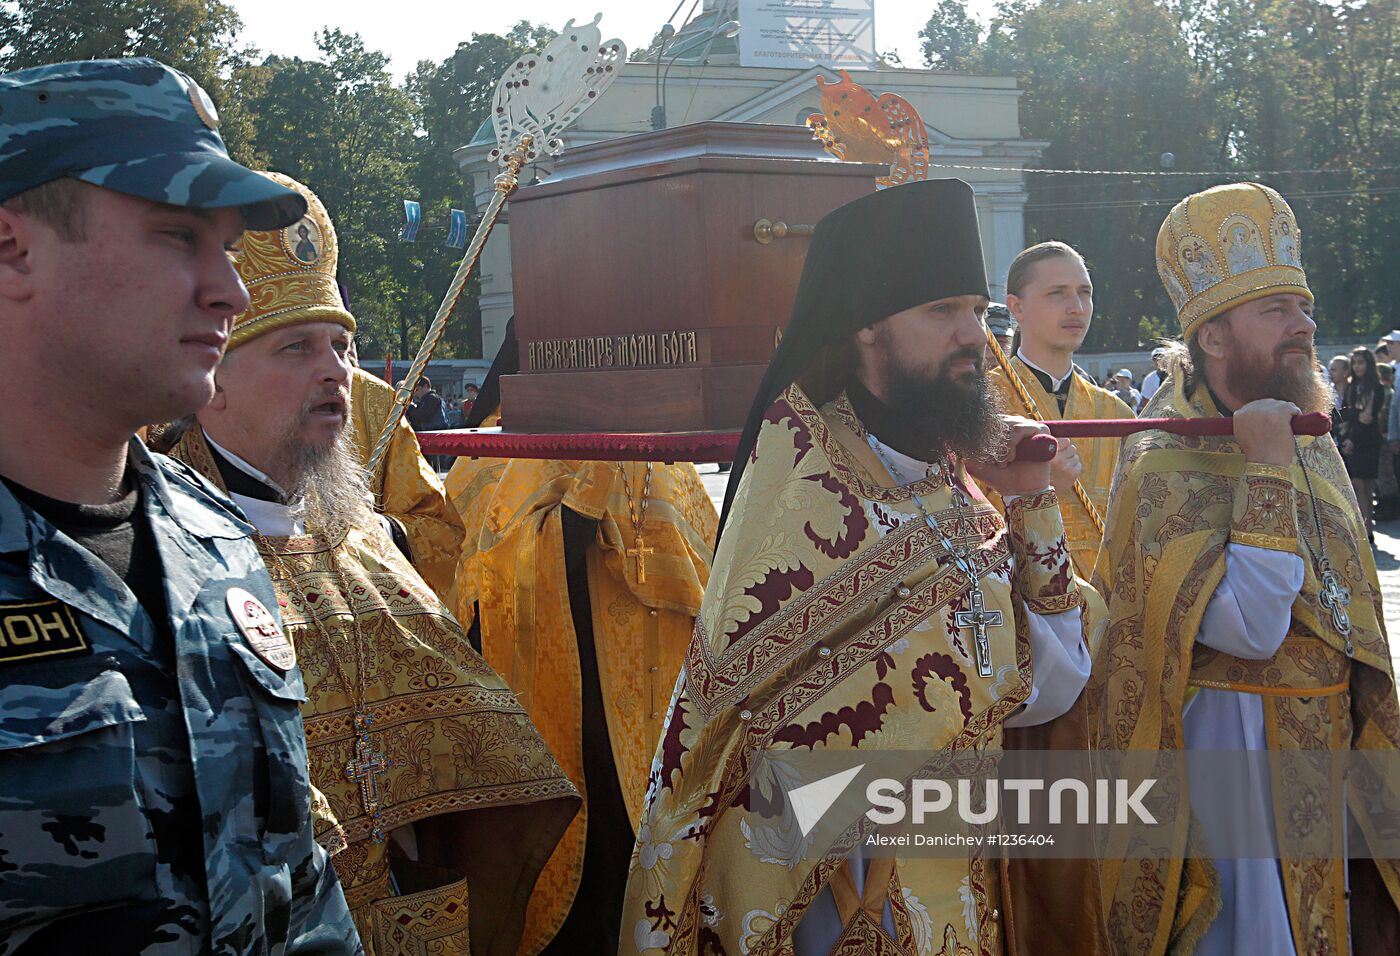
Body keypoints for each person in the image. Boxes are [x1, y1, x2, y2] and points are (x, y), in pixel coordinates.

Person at [619, 180, 1107, 955]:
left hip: (960, 888)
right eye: (941, 311)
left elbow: (1050, 686)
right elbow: (758, 747)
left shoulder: (955, 485)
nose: (974, 337)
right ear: (868, 328)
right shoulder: (800, 486)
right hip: (832, 904)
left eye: (978, 312)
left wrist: (1031, 503)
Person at [162, 174, 579, 954]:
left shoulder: (365, 541)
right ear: (211, 380)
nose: (338, 374)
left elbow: (488, 757)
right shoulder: (167, 545)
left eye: (342, 348)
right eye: (297, 348)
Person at [0, 58, 359, 951]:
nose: (232, 292)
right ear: (13, 249)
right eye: (177, 237)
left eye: (229, 249)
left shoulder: (217, 546)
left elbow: (296, 890)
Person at [1090, 181, 1400, 954]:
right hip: (1231, 760)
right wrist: (1264, 472)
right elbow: (1253, 633)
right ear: (1214, 339)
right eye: (1277, 311)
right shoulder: (1163, 459)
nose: (1306, 325)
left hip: (1326, 742)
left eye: (1304, 306)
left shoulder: (1312, 436)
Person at [443, 319, 719, 956]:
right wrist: (584, 501)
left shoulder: (660, 448)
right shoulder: (495, 448)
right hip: (561, 715)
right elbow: (481, 577)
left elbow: (707, 563)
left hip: (655, 723)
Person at [991, 240, 1135, 579]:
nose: (1076, 307)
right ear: (1017, 307)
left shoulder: (1116, 413)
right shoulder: (981, 403)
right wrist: (1037, 488)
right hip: (1016, 602)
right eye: (1057, 293)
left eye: (1084, 293)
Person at [347, 364, 464, 601]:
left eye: (339, 346)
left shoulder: (375, 400)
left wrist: (381, 528)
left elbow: (439, 529)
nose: (334, 366)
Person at [1339, 346, 1387, 540]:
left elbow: (1368, 417)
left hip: (1367, 439)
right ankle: (1364, 529)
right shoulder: (1351, 387)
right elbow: (1348, 413)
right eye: (1355, 363)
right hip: (1353, 437)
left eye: (1361, 362)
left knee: (1366, 485)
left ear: (1369, 363)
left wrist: (1354, 417)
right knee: (1358, 484)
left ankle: (1367, 529)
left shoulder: (1376, 387)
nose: (1358, 367)